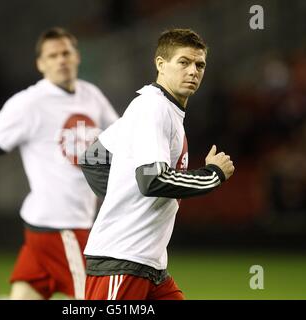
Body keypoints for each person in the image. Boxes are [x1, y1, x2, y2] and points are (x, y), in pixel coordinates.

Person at [0, 27, 118, 300]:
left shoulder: (91, 95)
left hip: (67, 222)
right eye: (53, 55)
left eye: (66, 53)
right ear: (40, 64)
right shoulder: (28, 103)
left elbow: (120, 139)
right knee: (96, 299)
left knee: (24, 297)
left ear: (77, 56)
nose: (61, 60)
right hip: (60, 225)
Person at [79, 28, 235, 300]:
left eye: (200, 65)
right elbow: (153, 179)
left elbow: (93, 159)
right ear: (160, 65)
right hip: (122, 258)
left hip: (150, 264)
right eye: (183, 62)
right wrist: (213, 174)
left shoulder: (160, 109)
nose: (193, 71)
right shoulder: (154, 108)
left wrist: (127, 199)